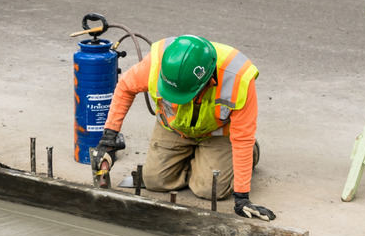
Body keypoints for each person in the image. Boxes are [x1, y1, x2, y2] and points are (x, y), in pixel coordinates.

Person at [91, 34, 276, 221]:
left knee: (210, 189)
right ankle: (198, 161)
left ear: (209, 80)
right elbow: (125, 87)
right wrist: (109, 138)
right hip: (173, 128)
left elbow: (242, 138)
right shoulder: (158, 63)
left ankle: (248, 153)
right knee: (155, 181)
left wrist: (242, 197)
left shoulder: (239, 79)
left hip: (216, 133)